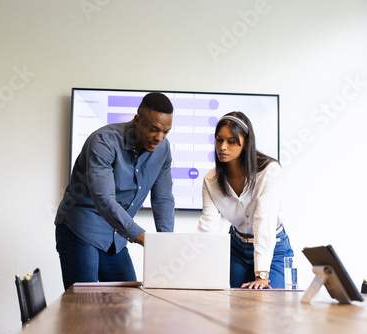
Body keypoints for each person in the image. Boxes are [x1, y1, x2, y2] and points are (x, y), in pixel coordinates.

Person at [54, 92, 175, 290]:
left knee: (127, 303)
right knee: (85, 306)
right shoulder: (103, 142)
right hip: (81, 229)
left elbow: (163, 199)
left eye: (166, 132)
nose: (159, 138)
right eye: (154, 129)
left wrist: (166, 241)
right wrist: (144, 238)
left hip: (116, 235)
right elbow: (104, 200)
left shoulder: (163, 150)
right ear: (138, 120)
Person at [197, 111, 293, 289]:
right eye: (219, 139)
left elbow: (264, 219)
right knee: (238, 310)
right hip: (238, 249)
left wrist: (262, 275)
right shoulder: (210, 181)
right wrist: (198, 269)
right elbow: (208, 228)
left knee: (271, 307)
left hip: (274, 249)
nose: (222, 147)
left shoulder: (269, 171)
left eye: (231, 141)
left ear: (246, 143)